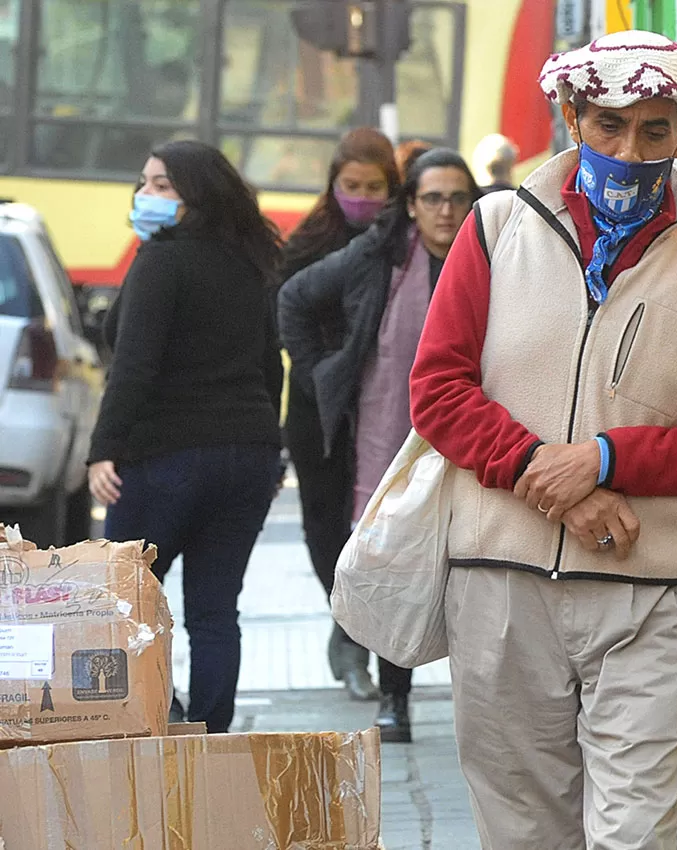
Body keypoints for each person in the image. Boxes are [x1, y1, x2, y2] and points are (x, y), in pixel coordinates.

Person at [406, 30, 677, 849]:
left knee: (637, 833)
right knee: (525, 833)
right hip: (502, 583)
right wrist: (546, 471)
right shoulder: (496, 227)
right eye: (609, 124)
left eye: (654, 130)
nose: (629, 148)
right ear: (575, 118)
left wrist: (607, 459)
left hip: (655, 591)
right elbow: (438, 389)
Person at [279, 149, 481, 743]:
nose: (446, 211)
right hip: (386, 436)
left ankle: (483, 705)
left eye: (457, 198)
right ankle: (395, 699)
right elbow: (293, 299)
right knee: (398, 565)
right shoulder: (379, 256)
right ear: (412, 206)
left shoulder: (498, 256)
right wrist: (325, 373)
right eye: (433, 199)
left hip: (477, 436)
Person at [86, 140, 285, 734]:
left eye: (162, 186)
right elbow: (270, 366)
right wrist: (270, 450)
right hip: (246, 456)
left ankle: (149, 723)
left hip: (165, 456)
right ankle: (209, 734)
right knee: (215, 610)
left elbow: (134, 366)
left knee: (130, 603)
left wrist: (104, 448)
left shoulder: (161, 261)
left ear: (198, 195)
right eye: (144, 183)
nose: (145, 196)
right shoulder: (251, 262)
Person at [279, 127, 401, 702]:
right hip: (315, 410)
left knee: (380, 526)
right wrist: (317, 372)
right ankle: (346, 623)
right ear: (332, 184)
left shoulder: (402, 241)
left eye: (374, 187)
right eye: (350, 186)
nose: (361, 197)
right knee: (324, 523)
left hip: (384, 406)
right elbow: (284, 311)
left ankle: (360, 635)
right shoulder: (307, 243)